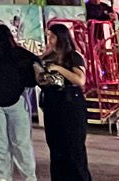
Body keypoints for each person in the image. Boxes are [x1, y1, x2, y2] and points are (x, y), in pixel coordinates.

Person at [0, 24, 37, 181]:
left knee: (21, 144)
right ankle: (2, 178)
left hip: (17, 103)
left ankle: (29, 177)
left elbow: (34, 67)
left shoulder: (18, 54)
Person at [38, 23, 92, 181]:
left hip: (70, 104)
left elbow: (80, 80)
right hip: (52, 103)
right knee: (56, 149)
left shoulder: (73, 56)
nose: (49, 40)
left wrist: (59, 68)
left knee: (74, 150)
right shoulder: (48, 56)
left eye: (52, 37)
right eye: (48, 36)